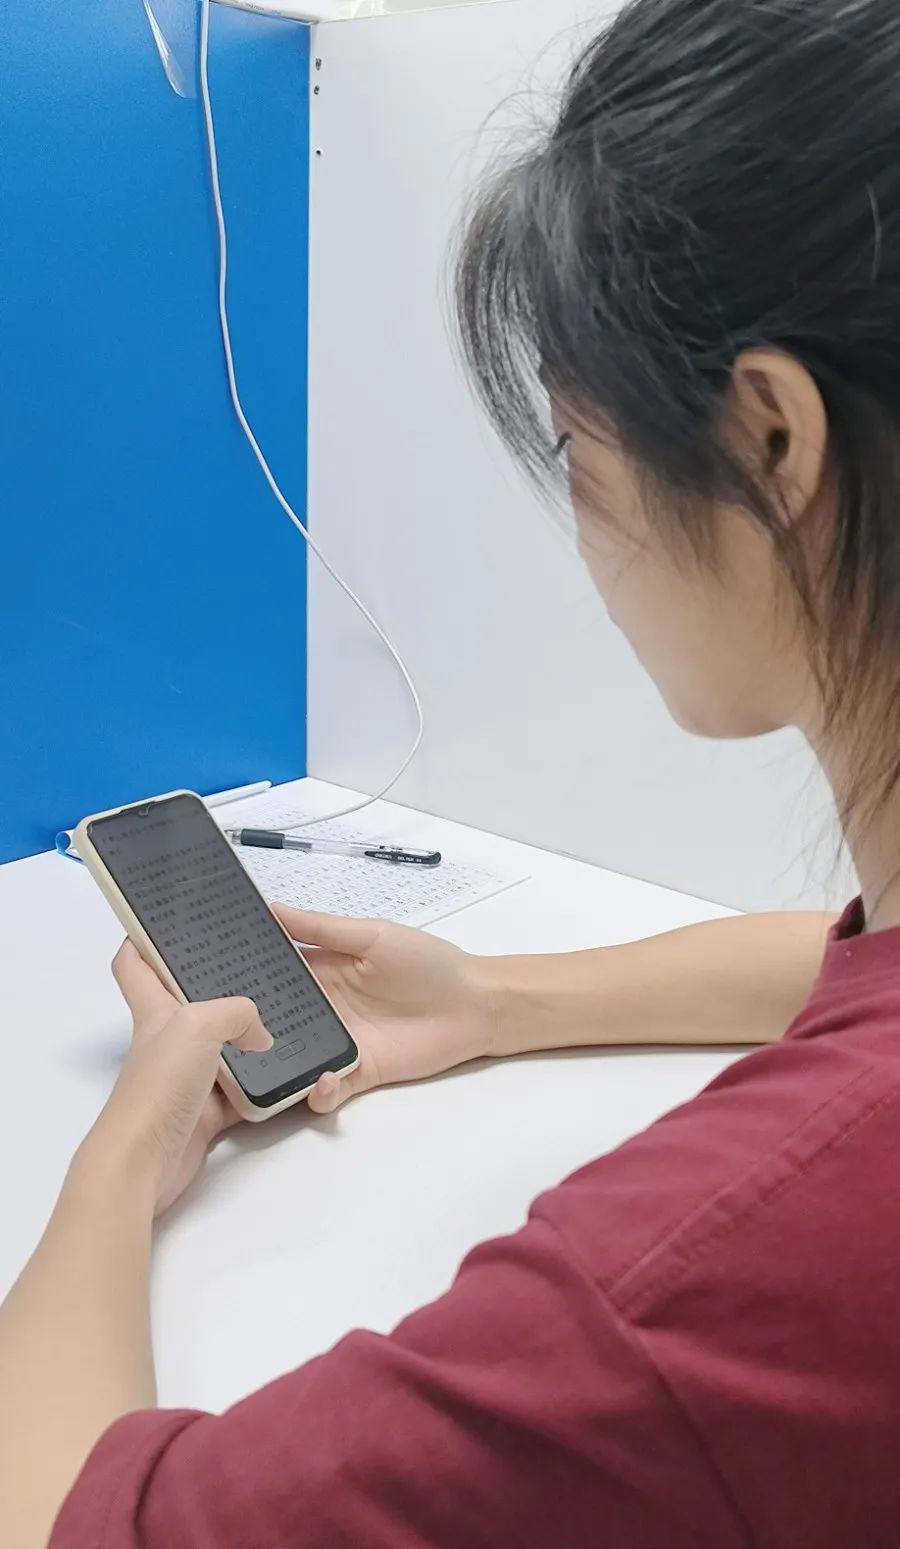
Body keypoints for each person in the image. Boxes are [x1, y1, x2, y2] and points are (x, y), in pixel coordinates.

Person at [5, 0, 900, 1542]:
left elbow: (75, 1518)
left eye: (577, 454)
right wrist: (491, 1000)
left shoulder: (702, 1281)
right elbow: (847, 970)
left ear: (769, 440)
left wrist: (122, 1155)